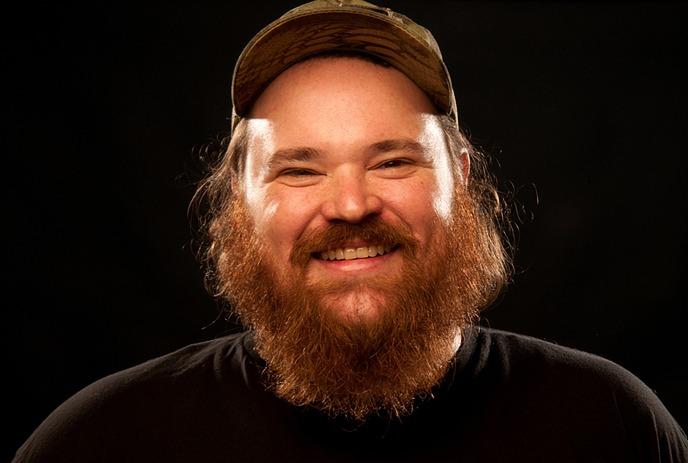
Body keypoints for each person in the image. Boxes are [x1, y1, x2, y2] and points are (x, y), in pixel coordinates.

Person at [13, 1, 688, 462]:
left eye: (393, 160)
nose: (352, 204)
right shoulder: (103, 440)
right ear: (239, 201)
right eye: (299, 170)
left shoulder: (611, 423)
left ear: (460, 176)